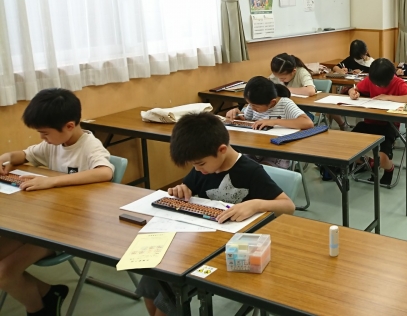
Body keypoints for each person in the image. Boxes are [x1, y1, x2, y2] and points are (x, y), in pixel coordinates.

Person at [139, 112, 294, 316]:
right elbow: (189, 186)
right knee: (150, 281)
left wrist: (256, 204)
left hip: (233, 252)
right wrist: (182, 189)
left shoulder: (251, 171)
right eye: (194, 165)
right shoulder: (203, 168)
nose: (197, 170)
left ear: (221, 150)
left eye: (200, 164)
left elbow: (288, 206)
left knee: (168, 293)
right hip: (201, 244)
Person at [0, 88, 114, 316]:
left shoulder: (89, 146)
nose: (42, 139)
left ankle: (39, 308)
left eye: (45, 134)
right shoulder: (53, 144)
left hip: (71, 231)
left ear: (69, 126)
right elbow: (24, 154)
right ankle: (48, 292)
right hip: (43, 223)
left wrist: (51, 182)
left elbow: (105, 172)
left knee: (4, 273)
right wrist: (7, 157)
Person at [349, 58, 407, 185]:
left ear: (390, 77)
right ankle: (369, 163)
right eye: (376, 84)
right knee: (347, 148)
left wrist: (387, 97)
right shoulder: (370, 79)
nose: (378, 87)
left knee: (382, 158)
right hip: (369, 123)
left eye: (381, 85)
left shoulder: (398, 83)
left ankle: (389, 169)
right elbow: (354, 89)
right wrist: (353, 92)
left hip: (389, 126)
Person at [225, 77, 313, 169]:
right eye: (249, 104)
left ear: (272, 102)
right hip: (255, 148)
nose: (252, 107)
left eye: (255, 106)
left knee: (264, 169)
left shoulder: (285, 103)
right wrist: (237, 116)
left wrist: (274, 121)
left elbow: (308, 123)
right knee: (240, 165)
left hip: (278, 152)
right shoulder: (253, 105)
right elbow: (247, 119)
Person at [330, 40, 374, 131]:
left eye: (359, 56)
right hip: (350, 89)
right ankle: (342, 124)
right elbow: (335, 67)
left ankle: (360, 128)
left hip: (364, 92)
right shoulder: (351, 59)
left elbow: (375, 75)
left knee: (360, 108)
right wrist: (341, 70)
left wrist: (362, 73)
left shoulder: (372, 63)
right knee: (331, 105)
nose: (357, 59)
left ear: (365, 52)